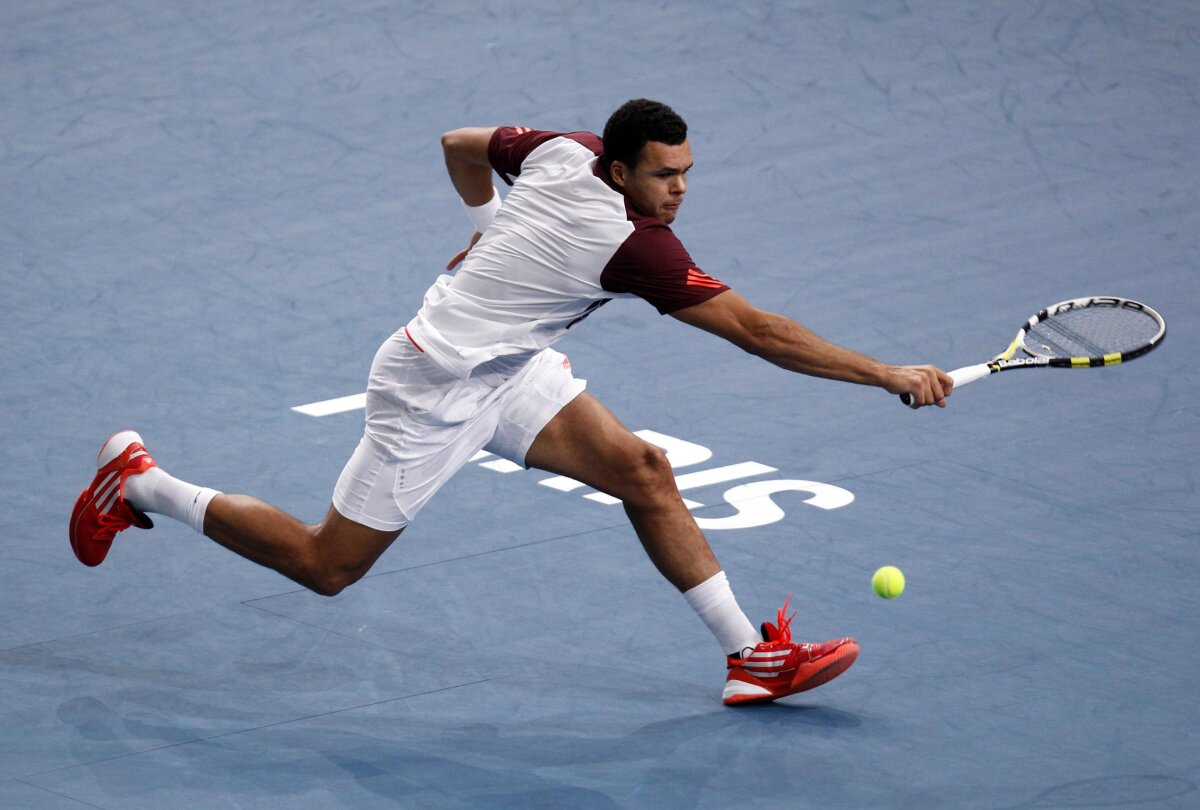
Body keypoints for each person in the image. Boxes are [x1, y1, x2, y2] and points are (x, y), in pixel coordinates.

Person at [70, 99, 952, 706]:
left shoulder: (562, 149)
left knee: (645, 472)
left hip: (512, 368)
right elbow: (759, 332)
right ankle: (141, 483)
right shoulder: (635, 248)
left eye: (687, 172)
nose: (679, 191)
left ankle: (750, 659)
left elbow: (458, 142)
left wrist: (488, 231)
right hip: (432, 390)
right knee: (325, 566)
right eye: (663, 176)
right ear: (618, 168)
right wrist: (888, 374)